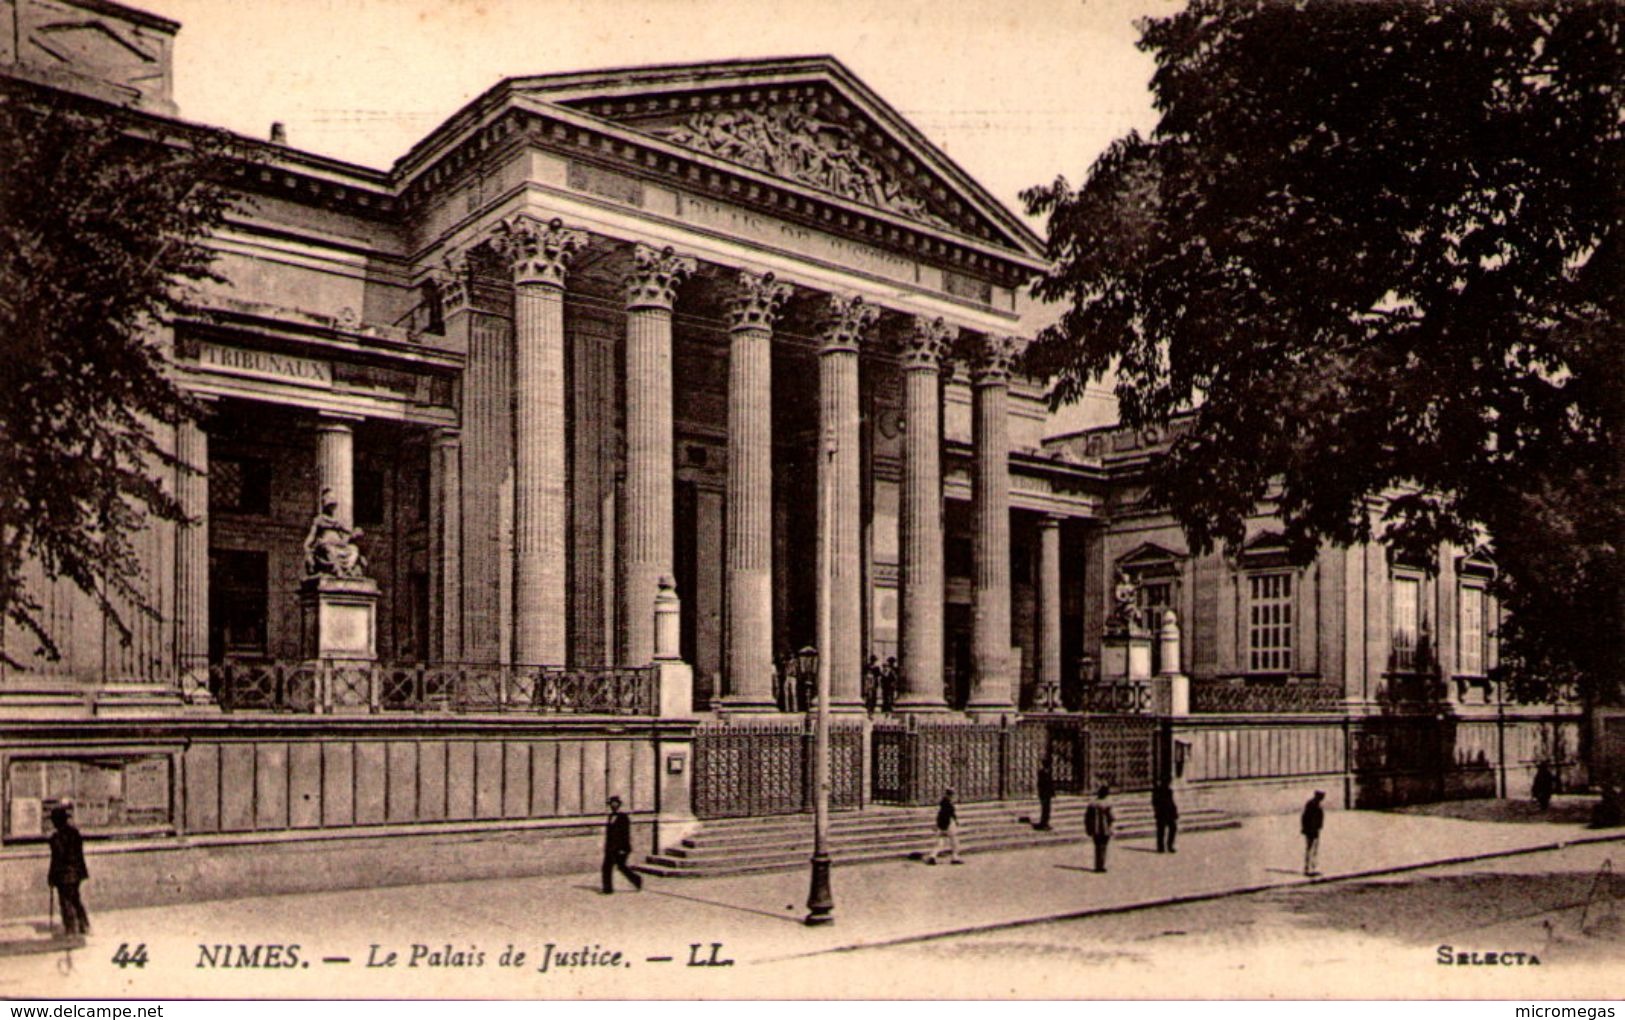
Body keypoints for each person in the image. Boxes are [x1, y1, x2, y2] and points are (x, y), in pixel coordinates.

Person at [47, 803, 89, 937]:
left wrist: (51, 877)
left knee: (65, 901)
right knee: (75, 898)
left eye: (54, 820)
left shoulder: (56, 838)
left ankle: (70, 928)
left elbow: (56, 859)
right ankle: (84, 925)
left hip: (64, 874)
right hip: (76, 873)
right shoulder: (75, 833)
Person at [601, 796, 642, 894]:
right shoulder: (610, 816)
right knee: (606, 867)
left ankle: (637, 880)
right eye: (611, 803)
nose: (613, 805)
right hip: (610, 848)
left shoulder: (623, 817)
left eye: (615, 803)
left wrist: (623, 848)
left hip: (620, 848)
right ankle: (608, 889)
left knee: (621, 867)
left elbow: (625, 834)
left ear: (619, 804)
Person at [1084, 785, 1114, 873]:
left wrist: (1088, 827)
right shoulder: (1107, 804)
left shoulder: (1092, 803)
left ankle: (1097, 865)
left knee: (1097, 847)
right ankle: (1101, 865)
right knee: (1103, 847)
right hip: (1104, 828)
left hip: (1095, 828)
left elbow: (1087, 817)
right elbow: (1111, 817)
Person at [929, 787, 962, 864]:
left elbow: (941, 815)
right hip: (948, 824)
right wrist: (946, 826)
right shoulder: (947, 804)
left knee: (940, 842)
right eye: (952, 795)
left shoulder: (944, 803)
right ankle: (955, 858)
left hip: (943, 824)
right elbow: (948, 815)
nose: (953, 797)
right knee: (954, 842)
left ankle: (932, 856)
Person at [1301, 789, 1326, 877]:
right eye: (1322, 796)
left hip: (1315, 830)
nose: (1323, 798)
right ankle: (1308, 868)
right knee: (1310, 849)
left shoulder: (1317, 804)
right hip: (1311, 830)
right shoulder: (1312, 804)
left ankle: (1313, 867)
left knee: (1314, 849)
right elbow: (1305, 817)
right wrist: (1305, 828)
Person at [1153, 780, 1179, 853]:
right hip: (1162, 813)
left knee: (1173, 828)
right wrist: (1157, 812)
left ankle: (1169, 845)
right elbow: (1155, 803)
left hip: (1169, 813)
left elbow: (1172, 802)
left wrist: (1174, 812)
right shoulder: (1157, 791)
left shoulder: (1169, 791)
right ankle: (1161, 847)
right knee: (1161, 830)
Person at [1035, 763, 1055, 830]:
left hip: (1046, 794)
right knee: (1045, 809)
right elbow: (1043, 784)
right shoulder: (1043, 773)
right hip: (1044, 794)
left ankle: (1045, 823)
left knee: (1046, 809)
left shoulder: (1046, 772)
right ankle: (1044, 824)